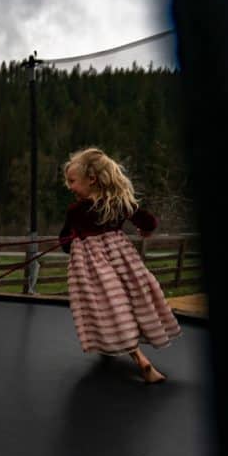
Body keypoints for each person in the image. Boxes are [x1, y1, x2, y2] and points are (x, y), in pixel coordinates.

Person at [59, 147, 181, 383]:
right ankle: (134, 350)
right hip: (123, 262)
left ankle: (139, 358)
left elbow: (64, 242)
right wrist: (145, 230)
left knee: (109, 310)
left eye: (72, 181)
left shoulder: (75, 211)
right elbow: (149, 221)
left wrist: (73, 239)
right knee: (132, 300)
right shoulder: (118, 203)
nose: (70, 187)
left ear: (91, 179)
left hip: (92, 269)